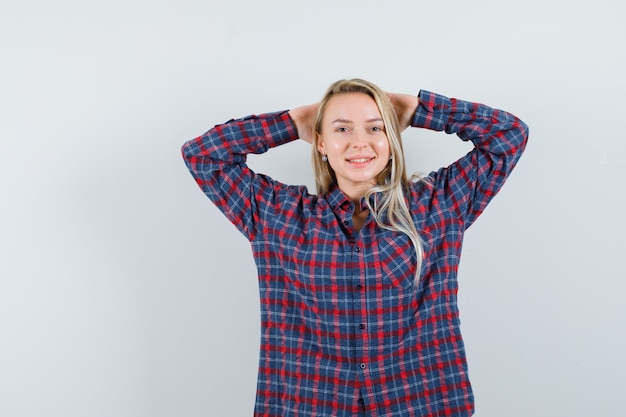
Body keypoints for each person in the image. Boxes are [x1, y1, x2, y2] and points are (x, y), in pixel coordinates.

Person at [181, 79, 528, 417]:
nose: (359, 142)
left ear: (392, 139)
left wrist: (419, 110)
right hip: (308, 404)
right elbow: (203, 156)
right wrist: (291, 123)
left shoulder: (439, 203)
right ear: (320, 143)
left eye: (375, 128)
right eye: (342, 129)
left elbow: (508, 136)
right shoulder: (277, 214)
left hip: (421, 401)